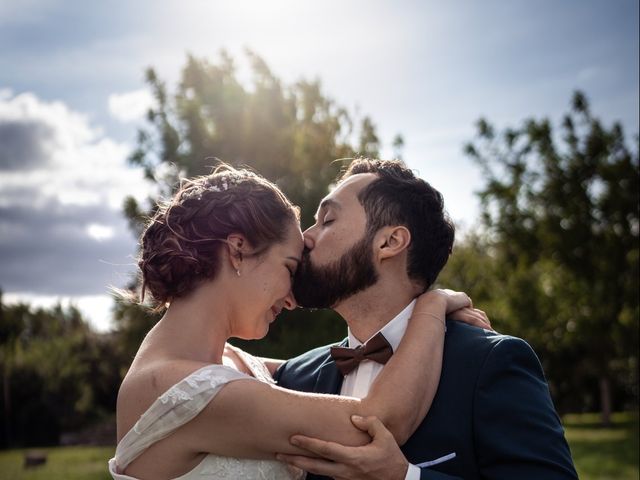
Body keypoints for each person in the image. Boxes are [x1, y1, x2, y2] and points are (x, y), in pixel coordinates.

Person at [108, 164, 489, 480]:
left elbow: (328, 363)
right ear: (238, 252)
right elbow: (376, 420)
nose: (292, 298)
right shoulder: (179, 387)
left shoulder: (225, 362)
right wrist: (432, 305)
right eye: (290, 267)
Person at [274, 158, 578, 479]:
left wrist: (406, 476)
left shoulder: (491, 363)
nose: (306, 237)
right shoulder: (297, 377)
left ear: (390, 242)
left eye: (328, 220)